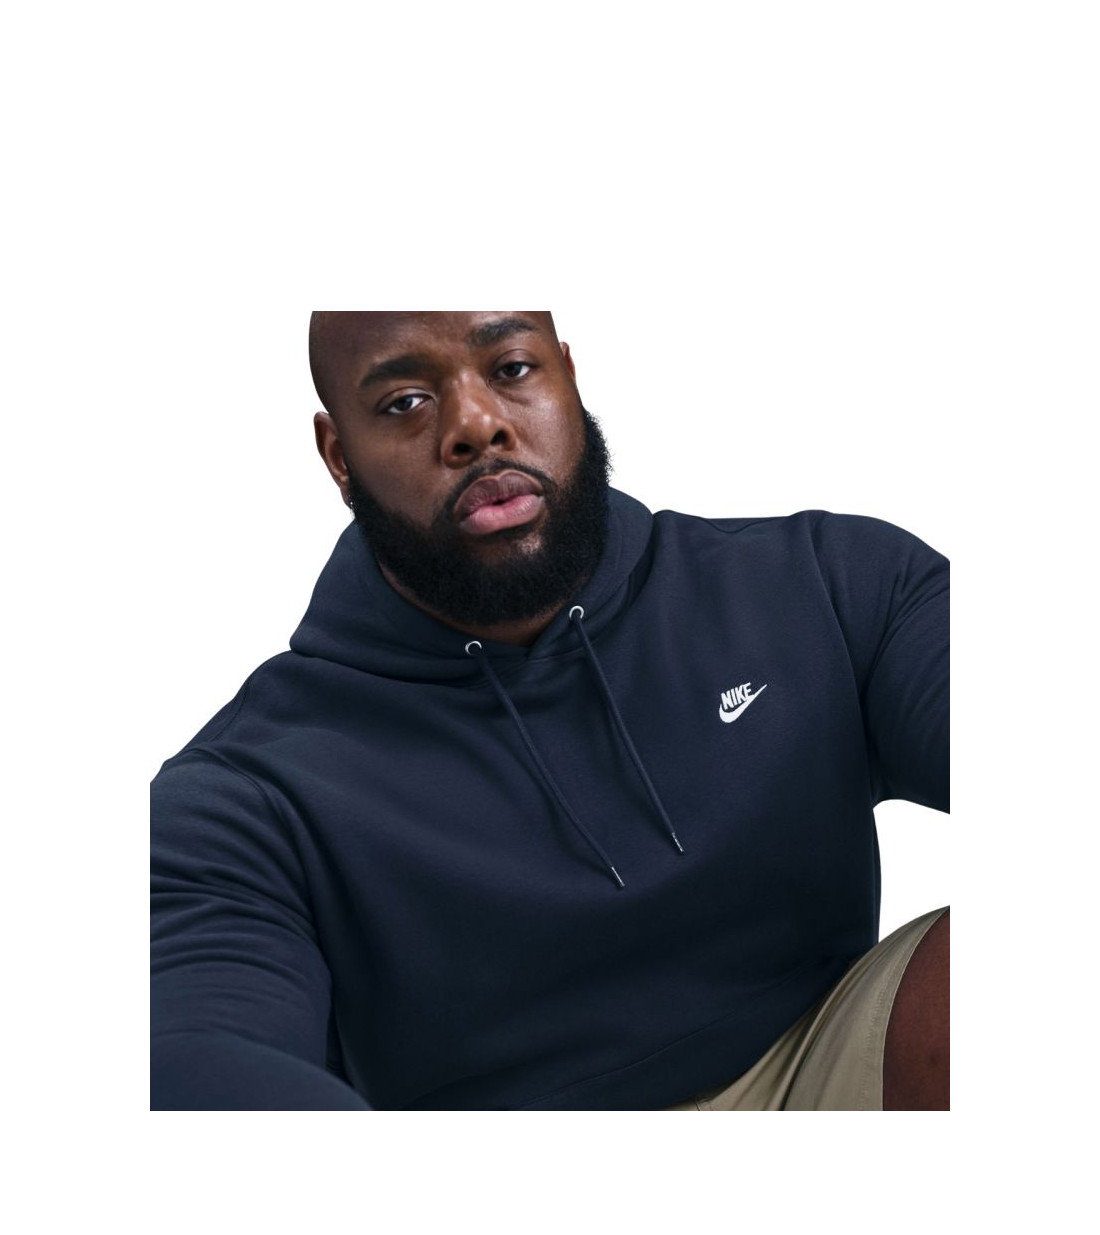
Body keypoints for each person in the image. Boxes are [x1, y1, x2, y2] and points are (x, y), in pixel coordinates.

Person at [150, 310, 949, 1111]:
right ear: (339, 457)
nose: (476, 426)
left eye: (511, 369)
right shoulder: (247, 796)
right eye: (405, 403)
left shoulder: (823, 585)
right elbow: (198, 1056)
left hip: (826, 1070)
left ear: (566, 373)